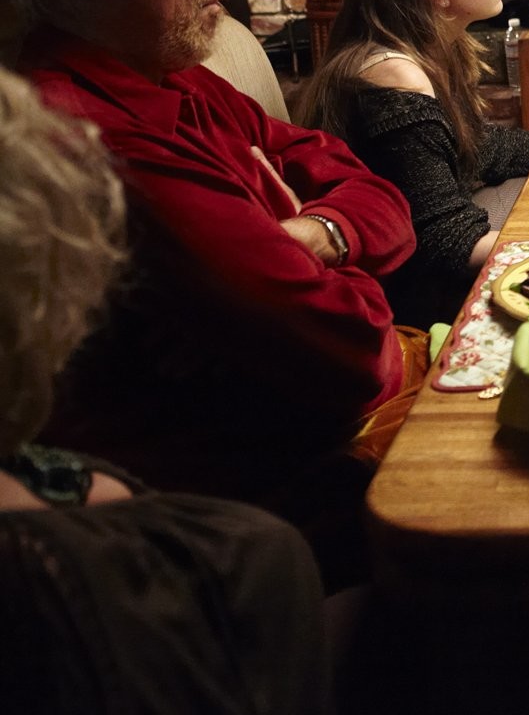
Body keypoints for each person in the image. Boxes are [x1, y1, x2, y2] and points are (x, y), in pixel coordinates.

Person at [0, 0, 419, 588]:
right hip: (252, 505)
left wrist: (310, 236)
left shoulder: (175, 76)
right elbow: (353, 351)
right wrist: (348, 277)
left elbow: (383, 196)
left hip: (320, 431)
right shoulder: (89, 132)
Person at [0, 68, 330, 713]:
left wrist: (329, 232)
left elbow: (339, 167)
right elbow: (345, 345)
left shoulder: (195, 85)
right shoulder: (217, 556)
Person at [295, 0, 529, 329]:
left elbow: (477, 149)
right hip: (410, 303)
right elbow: (450, 244)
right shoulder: (394, 78)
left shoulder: (423, 49)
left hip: (430, 271)